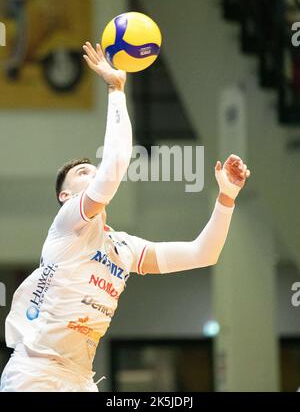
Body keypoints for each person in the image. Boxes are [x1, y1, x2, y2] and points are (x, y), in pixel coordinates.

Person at [0, 42, 250, 392]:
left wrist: (227, 196)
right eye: (84, 172)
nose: (93, 173)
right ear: (66, 196)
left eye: (92, 169)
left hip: (80, 378)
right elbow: (115, 165)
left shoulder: (125, 248)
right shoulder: (69, 223)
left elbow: (203, 254)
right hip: (35, 373)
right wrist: (116, 90)